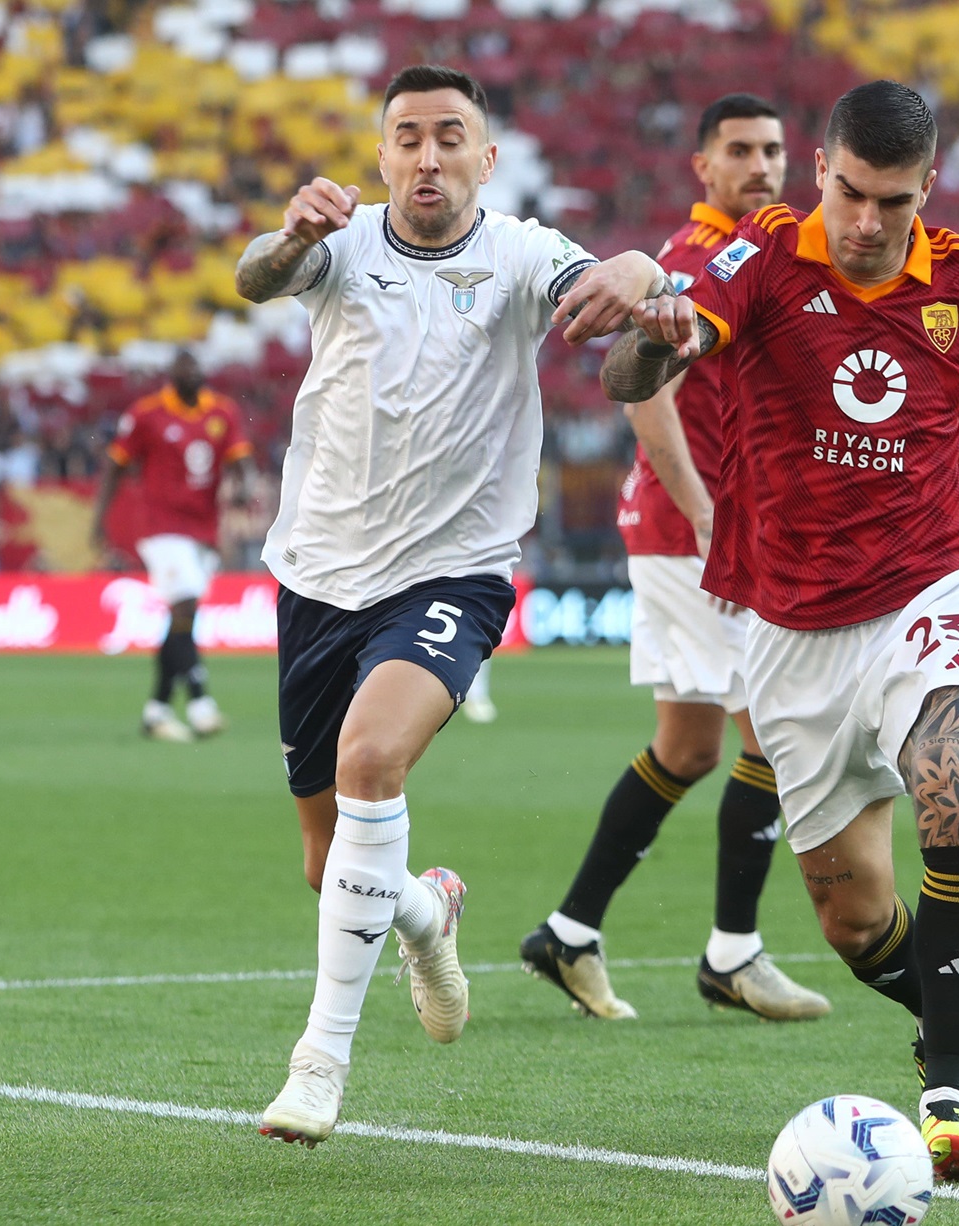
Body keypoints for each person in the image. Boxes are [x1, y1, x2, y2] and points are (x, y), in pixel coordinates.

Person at [601, 80, 959, 1179]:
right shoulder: (758, 258)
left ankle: (946, 1088)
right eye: (847, 193)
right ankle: (948, 1001)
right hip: (789, 632)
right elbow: (627, 375)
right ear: (819, 171)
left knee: (956, 775)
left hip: (927, 595)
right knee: (852, 921)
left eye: (888, 202)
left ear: (925, 188)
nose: (861, 222)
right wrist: (655, 337)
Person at [233, 63, 671, 1148]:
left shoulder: (520, 253)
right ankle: (428, 913)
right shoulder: (336, 243)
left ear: (487, 156)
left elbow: (618, 327)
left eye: (449, 137)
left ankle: (318, 1063)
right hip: (316, 575)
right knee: (328, 861)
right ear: (382, 155)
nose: (426, 156)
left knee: (371, 761)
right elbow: (252, 278)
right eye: (406, 138)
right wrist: (289, 234)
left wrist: (643, 269)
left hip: (452, 572)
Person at [520, 93, 829, 1023]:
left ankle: (569, 934)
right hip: (693, 527)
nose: (762, 165)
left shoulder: (766, 253)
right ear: (703, 167)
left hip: (713, 528)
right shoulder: (696, 261)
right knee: (772, 731)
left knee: (689, 746)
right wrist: (702, 509)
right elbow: (645, 391)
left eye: (774, 149)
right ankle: (733, 952)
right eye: (739, 150)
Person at [91, 350, 257, 742]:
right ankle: (201, 702)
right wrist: (99, 520)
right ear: (173, 375)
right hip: (161, 527)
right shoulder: (146, 414)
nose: (194, 373)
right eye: (186, 368)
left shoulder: (222, 412)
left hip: (202, 529)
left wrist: (244, 487)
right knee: (183, 604)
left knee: (182, 619)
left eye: (198, 367)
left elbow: (240, 460)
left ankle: (157, 710)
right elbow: (115, 467)